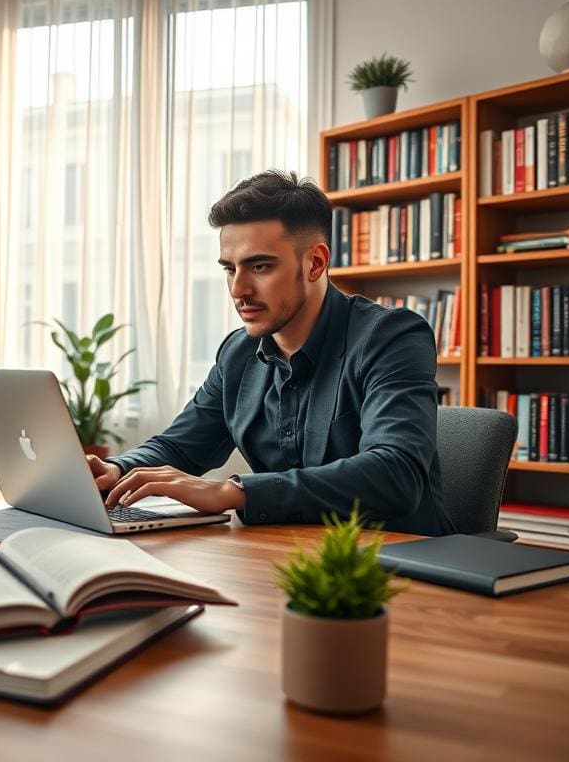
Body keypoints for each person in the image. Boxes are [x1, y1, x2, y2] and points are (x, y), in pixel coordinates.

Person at [87, 170, 455, 536]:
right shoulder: (237, 354)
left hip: (396, 564)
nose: (238, 289)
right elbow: (181, 446)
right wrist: (117, 469)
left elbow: (395, 474)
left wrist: (235, 491)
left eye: (259, 266)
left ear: (315, 263)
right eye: (229, 269)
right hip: (288, 558)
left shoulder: (391, 336)